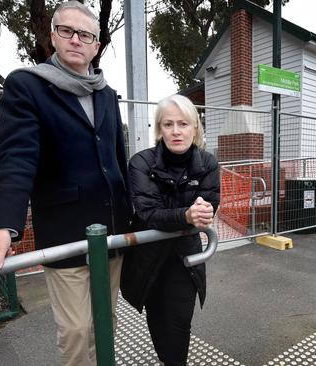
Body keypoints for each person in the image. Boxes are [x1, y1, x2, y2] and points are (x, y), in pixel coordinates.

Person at [0, 2, 131, 365]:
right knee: (77, 330)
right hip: (65, 233)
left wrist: (134, 213)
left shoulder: (106, 93)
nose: (76, 40)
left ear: (96, 45)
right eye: (68, 31)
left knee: (104, 323)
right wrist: (4, 225)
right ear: (53, 37)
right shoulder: (28, 86)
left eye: (86, 35)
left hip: (109, 231)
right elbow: (16, 159)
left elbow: (118, 160)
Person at [121, 94, 220, 366]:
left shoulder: (208, 163)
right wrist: (187, 214)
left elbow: (210, 203)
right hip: (148, 257)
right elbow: (149, 213)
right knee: (157, 318)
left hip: (185, 257)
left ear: (195, 128)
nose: (176, 131)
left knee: (179, 322)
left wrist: (201, 211)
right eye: (168, 124)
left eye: (183, 124)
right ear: (159, 129)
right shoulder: (141, 162)